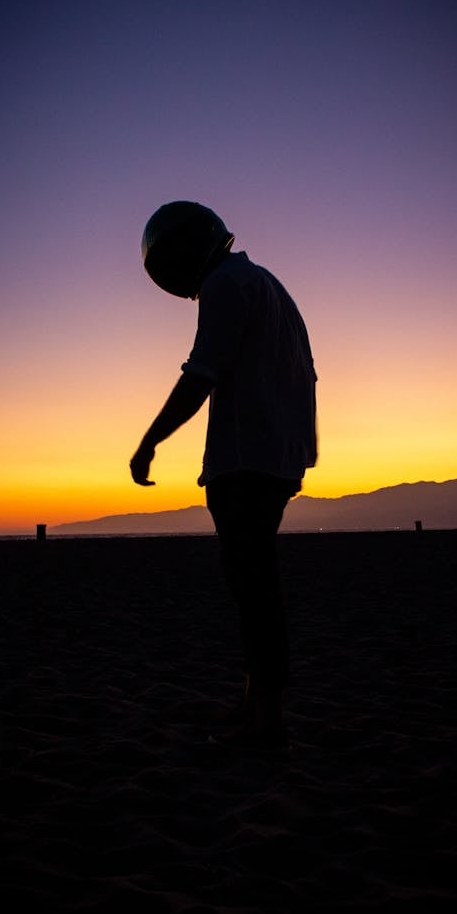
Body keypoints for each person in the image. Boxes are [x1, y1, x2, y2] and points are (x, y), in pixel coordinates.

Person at [130, 201, 317, 747]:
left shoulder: (226, 286)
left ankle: (267, 715)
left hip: (247, 457)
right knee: (255, 582)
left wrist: (150, 441)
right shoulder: (265, 283)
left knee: (253, 585)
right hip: (279, 452)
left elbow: (200, 375)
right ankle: (257, 700)